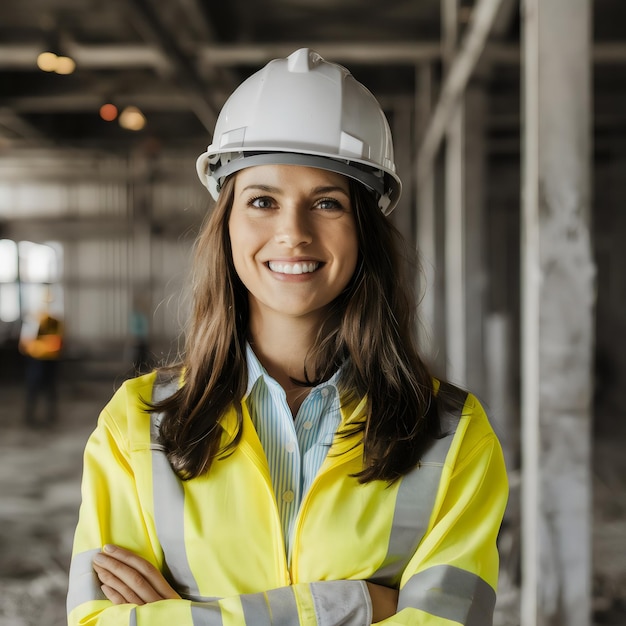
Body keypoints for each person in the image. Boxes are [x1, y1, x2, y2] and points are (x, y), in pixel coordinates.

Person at [67, 48, 508, 625]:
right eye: (262, 201)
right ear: (226, 223)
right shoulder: (135, 425)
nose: (292, 233)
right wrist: (350, 606)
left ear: (365, 230)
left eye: (326, 203)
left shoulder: (452, 435)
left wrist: (186, 616)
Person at [19, 304, 63, 427]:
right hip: (36, 361)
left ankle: (50, 416)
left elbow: (58, 343)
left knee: (50, 389)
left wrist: (39, 345)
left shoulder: (55, 322)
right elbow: (24, 345)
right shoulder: (32, 321)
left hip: (50, 362)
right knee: (33, 389)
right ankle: (30, 416)